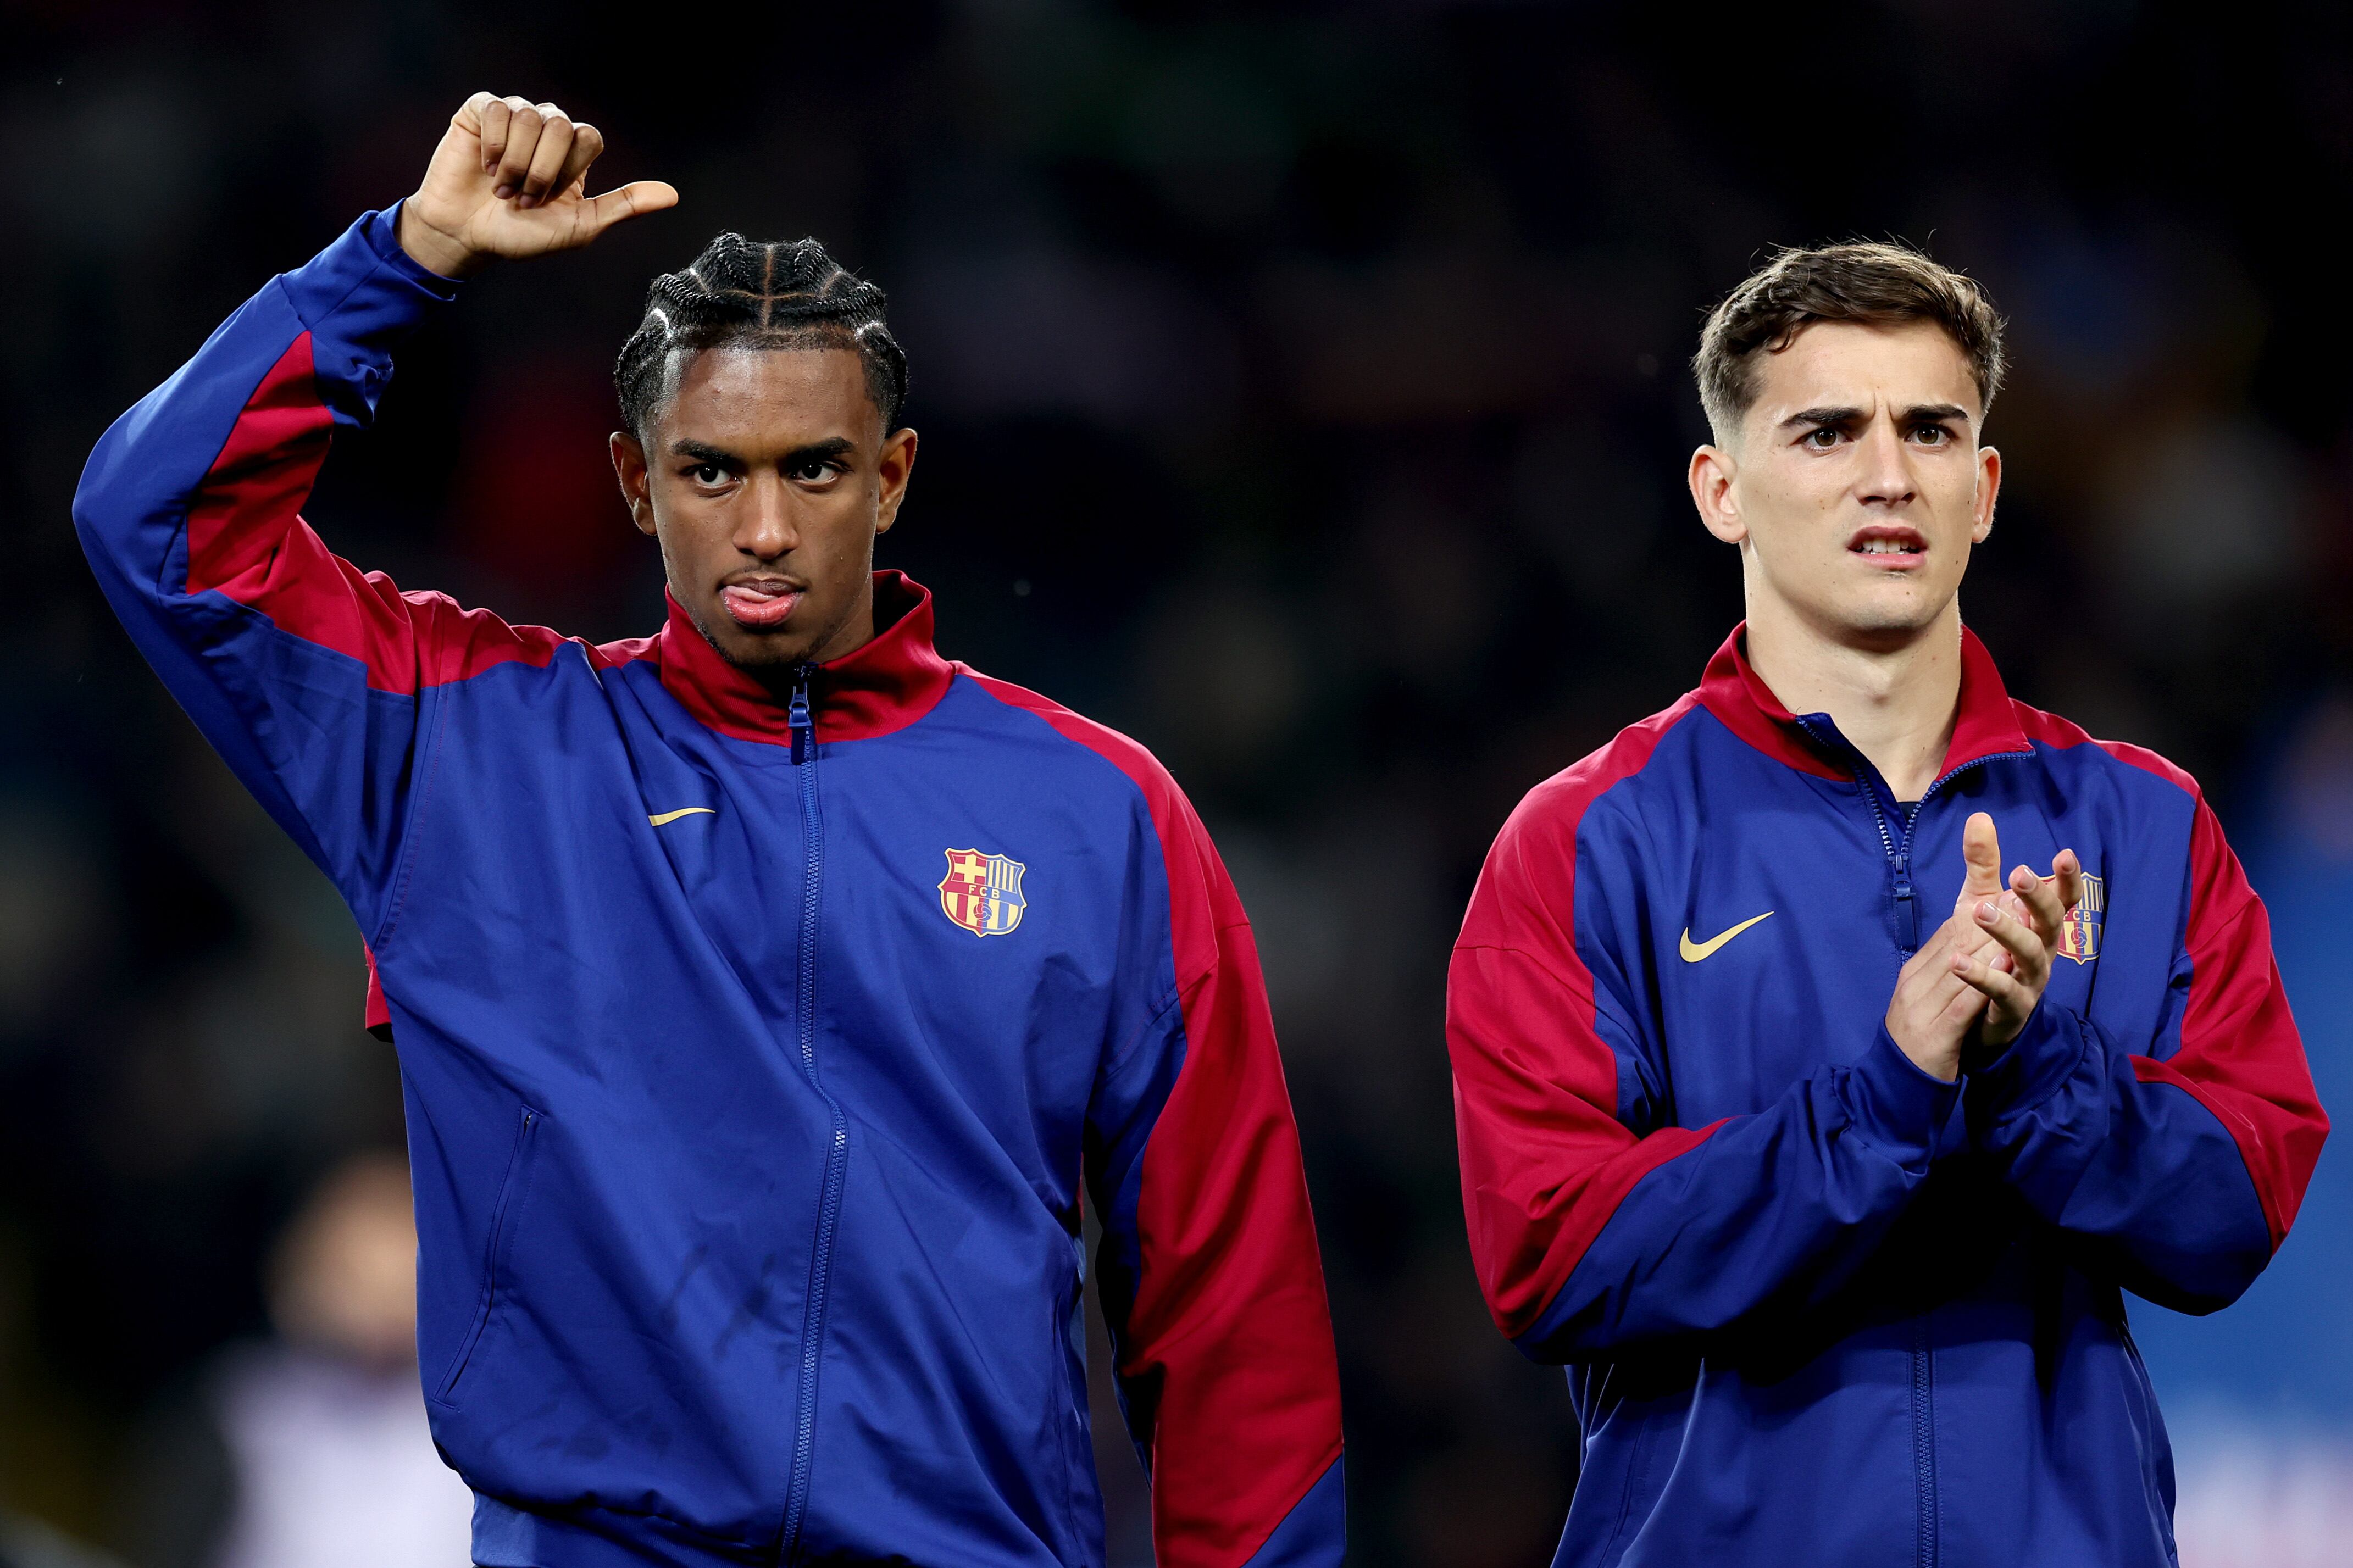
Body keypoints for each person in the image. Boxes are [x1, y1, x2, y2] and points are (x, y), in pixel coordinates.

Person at [76, 92, 1344, 1568]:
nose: (761, 527)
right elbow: (157, 519)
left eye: (812, 467)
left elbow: (1230, 1306)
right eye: (709, 470)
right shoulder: (473, 750)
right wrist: (405, 257)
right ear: (634, 481)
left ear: (893, 477)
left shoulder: (1095, 813)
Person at [1445, 241, 2327, 1565]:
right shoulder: (1588, 838)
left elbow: (2232, 1214)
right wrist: (1891, 1088)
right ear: (1719, 488)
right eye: (1823, 430)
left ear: (1979, 489)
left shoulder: (2140, 825)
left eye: (1927, 429)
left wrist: (2031, 1064)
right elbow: (1552, 1253)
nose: (1884, 474)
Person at [116, 1153, 474, 1568]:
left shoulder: (491, 1428)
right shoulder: (232, 1414)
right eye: (351, 1279)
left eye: (401, 1284)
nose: (379, 1318)